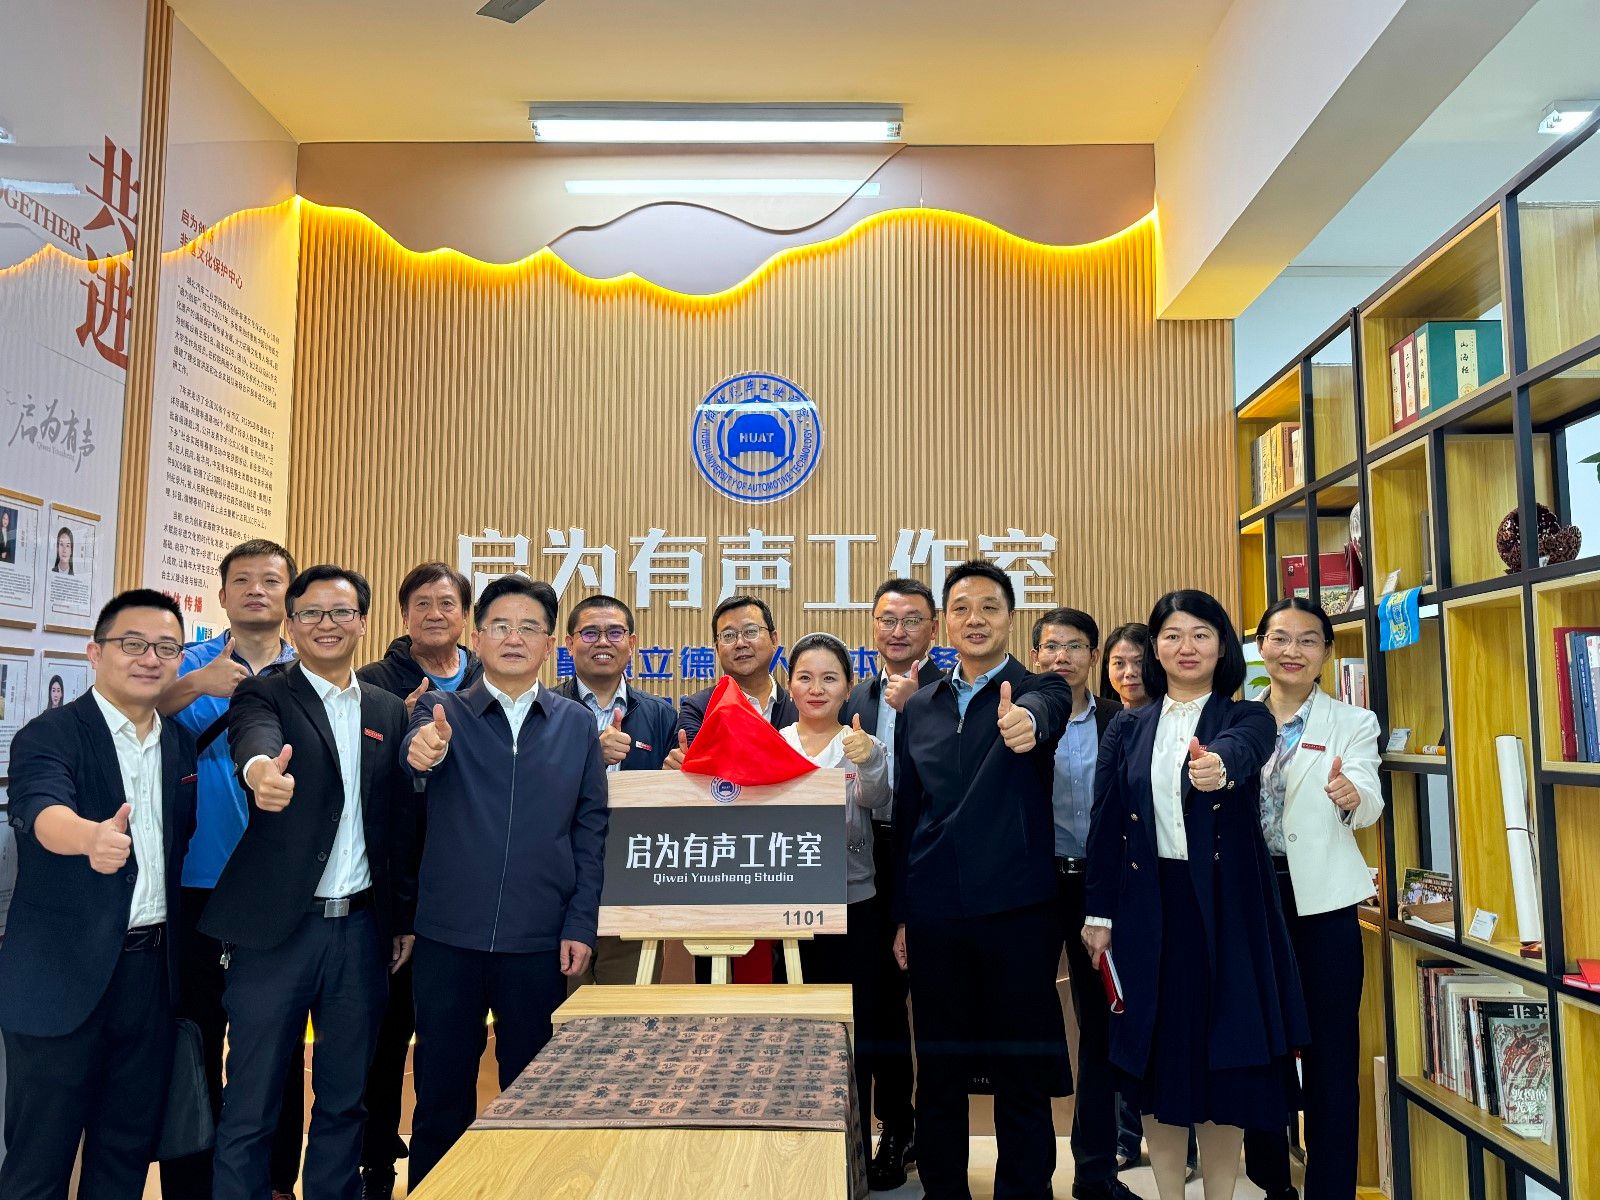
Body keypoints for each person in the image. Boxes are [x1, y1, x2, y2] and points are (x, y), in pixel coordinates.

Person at [1082, 589, 1308, 1200]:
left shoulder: (1247, 716)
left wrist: (1219, 768)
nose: (1187, 647)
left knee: (1224, 1065)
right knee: (1158, 1065)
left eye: (1202, 634)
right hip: (1146, 910)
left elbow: (1244, 751)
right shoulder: (1127, 725)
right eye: (1173, 635)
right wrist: (1098, 912)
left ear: (1222, 646)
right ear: (1154, 648)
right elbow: (1105, 821)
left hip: (1227, 912)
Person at [203, 565, 417, 1200]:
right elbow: (253, 741)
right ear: (291, 625)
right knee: (251, 1103)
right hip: (276, 931)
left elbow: (395, 824)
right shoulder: (265, 694)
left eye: (341, 612)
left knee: (345, 1101)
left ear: (363, 623)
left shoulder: (385, 709)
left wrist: (401, 917)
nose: (327, 624)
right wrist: (261, 773)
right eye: (312, 613)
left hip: (360, 932)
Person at [402, 574, 606, 1182]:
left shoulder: (575, 725)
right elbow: (416, 758)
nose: (514, 638)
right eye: (500, 626)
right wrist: (423, 751)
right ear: (477, 637)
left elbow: (590, 830)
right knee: (440, 1097)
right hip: (447, 937)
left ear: (550, 644)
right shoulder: (440, 713)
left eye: (529, 628)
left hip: (539, 940)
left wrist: (580, 922)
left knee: (532, 1096)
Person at [0, 589, 196, 1200]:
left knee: (125, 1154)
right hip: (59, 978)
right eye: (133, 644)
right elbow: (40, 810)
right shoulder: (50, 734)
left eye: (166, 647)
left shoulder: (179, 744)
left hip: (151, 979)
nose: (150, 658)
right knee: (38, 1162)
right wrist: (89, 838)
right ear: (95, 653)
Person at [891, 559, 1073, 1200]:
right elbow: (908, 812)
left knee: (1020, 1070)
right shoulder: (921, 706)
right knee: (939, 1069)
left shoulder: (1041, 690)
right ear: (945, 622)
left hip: (1017, 910)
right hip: (935, 910)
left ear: (1011, 619)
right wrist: (903, 914)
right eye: (963, 608)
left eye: (990, 607)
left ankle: (1024, 1190)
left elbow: (1048, 708)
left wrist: (1028, 719)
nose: (976, 619)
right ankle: (944, 1190)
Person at [158, 539, 306, 1200]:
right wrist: (198, 685)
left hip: (283, 885)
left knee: (276, 1041)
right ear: (221, 596)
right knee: (195, 1037)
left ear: (288, 596)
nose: (255, 590)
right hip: (197, 879)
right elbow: (130, 716)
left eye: (270, 580)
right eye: (242, 580)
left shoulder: (311, 669)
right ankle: (192, 1183)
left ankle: (274, 1181)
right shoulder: (186, 662)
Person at [1242, 598, 1382, 1200]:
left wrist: (1352, 795)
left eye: (1307, 640)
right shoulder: (1236, 718)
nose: (1292, 651)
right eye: (1280, 638)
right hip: (1250, 899)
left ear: (1326, 651)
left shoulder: (1353, 721)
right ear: (1261, 647)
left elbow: (1369, 794)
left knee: (1331, 1053)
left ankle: (1330, 1188)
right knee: (1260, 1046)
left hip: (1323, 903)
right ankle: (1271, 1181)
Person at [353, 561, 483, 1200]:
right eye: (422, 603)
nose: (435, 613)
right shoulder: (373, 685)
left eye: (447, 603)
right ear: (404, 615)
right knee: (386, 1033)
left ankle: (455, 1167)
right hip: (398, 882)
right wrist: (397, 733)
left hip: (470, 884)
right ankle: (377, 1162)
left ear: (465, 615)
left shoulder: (492, 681)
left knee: (450, 1040)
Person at [841, 577, 944, 1191]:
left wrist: (920, 708)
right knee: (876, 1005)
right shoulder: (857, 693)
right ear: (873, 627)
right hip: (866, 857)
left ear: (934, 628)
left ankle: (931, 1136)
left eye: (911, 620)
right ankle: (893, 1128)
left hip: (928, 855)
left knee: (928, 1005)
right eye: (887, 620)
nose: (897, 631)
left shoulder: (948, 692)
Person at [1031, 607, 1136, 1200]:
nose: (1061, 657)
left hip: (1100, 890)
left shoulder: (1121, 721)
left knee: (1099, 1031)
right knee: (1033, 1028)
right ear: (1035, 655)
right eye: (1051, 646)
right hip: (1034, 888)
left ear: (1094, 657)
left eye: (1075, 646)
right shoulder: (1018, 718)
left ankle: (1095, 1174)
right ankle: (1032, 1175)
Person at [781, 632, 893, 1167]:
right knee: (798, 1035)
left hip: (856, 907)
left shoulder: (862, 742)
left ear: (849, 688)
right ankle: (802, 1156)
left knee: (859, 1032)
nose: (817, 688)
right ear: (789, 685)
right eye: (805, 677)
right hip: (788, 914)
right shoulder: (773, 743)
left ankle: (854, 1154)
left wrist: (868, 762)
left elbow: (879, 799)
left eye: (830, 678)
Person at [553, 593, 676, 986]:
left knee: (628, 1013)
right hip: (558, 891)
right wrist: (591, 756)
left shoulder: (661, 714)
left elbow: (671, 812)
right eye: (589, 633)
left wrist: (681, 777)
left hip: (633, 887)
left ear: (632, 642)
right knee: (559, 1013)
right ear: (569, 643)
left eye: (615, 632)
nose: (602, 642)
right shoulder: (544, 709)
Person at [669, 594, 798, 761]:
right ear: (717, 649)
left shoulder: (801, 705)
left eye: (751, 631)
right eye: (728, 635)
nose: (740, 643)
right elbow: (695, 767)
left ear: (774, 640)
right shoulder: (698, 709)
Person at [1099, 623, 1150, 711]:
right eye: (1119, 663)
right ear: (1107, 668)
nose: (1129, 672)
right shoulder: (1097, 717)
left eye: (1140, 661)